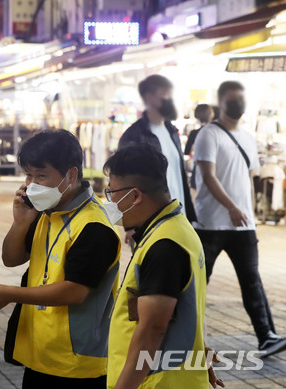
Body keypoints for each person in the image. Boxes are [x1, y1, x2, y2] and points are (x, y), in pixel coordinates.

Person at [0, 130, 120, 388]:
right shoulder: (46, 210)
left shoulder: (94, 226)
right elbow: (11, 258)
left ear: (71, 175)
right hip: (40, 353)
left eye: (41, 175)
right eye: (28, 175)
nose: (32, 184)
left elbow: (74, 292)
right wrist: (21, 222)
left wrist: (8, 294)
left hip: (76, 364)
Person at [103, 144, 221, 389]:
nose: (110, 201)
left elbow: (152, 329)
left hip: (158, 382)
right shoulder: (175, 227)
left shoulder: (164, 245)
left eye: (112, 192)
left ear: (135, 195)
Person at [194, 81, 286, 356]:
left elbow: (248, 179)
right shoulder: (208, 135)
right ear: (221, 102)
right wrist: (232, 207)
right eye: (233, 100)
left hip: (243, 225)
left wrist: (249, 215)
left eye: (241, 100)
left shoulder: (247, 137)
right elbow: (208, 176)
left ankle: (266, 336)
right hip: (211, 223)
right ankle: (187, 336)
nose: (238, 105)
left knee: (251, 279)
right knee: (198, 282)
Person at [119, 75, 196, 225]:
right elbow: (126, 184)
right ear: (149, 98)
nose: (170, 101)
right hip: (152, 221)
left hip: (180, 217)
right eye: (166, 96)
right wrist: (131, 224)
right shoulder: (134, 136)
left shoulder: (172, 132)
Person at [184, 104, 214, 190]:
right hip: (213, 169)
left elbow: (186, 151)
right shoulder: (214, 133)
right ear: (210, 115)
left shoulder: (194, 133)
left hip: (197, 169)